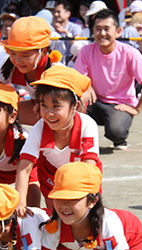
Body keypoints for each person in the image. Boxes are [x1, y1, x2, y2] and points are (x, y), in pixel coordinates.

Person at [15, 65, 101, 214]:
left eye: (56, 106)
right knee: (56, 214)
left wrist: (82, 197)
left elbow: (89, 166)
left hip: (83, 176)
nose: (49, 113)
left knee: (85, 214)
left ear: (75, 106)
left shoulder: (87, 125)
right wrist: (20, 202)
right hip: (51, 176)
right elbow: (24, 168)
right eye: (44, 105)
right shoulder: (40, 127)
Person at [75, 9, 142, 150]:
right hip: (94, 101)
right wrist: (86, 85)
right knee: (70, 107)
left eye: (107, 29)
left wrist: (138, 108)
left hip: (119, 104)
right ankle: (77, 139)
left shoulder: (129, 53)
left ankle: (120, 138)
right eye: (98, 29)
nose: (102, 33)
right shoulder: (86, 51)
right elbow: (77, 78)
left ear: (118, 31)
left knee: (116, 131)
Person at [0, 16, 62, 125]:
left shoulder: (55, 68)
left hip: (61, 110)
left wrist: (44, 105)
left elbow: (69, 100)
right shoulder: (9, 65)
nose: (17, 60)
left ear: (43, 51)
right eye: (12, 53)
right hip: (36, 106)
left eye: (25, 54)